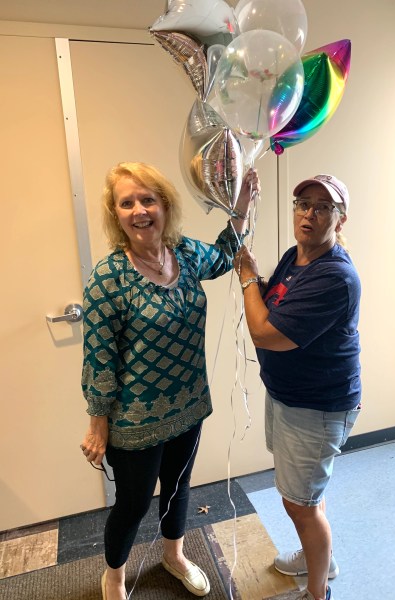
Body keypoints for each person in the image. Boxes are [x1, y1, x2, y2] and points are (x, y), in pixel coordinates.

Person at [80, 161, 259, 600]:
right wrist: (98, 424)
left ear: (165, 205)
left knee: (178, 489)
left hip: (189, 404)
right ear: (116, 214)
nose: (139, 211)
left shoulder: (185, 253)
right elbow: (99, 357)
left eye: (148, 199)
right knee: (133, 504)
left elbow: (225, 254)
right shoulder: (108, 278)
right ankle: (115, 577)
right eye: (127, 203)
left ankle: (174, 556)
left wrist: (240, 205)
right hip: (135, 421)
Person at [233, 174, 361, 600]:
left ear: (340, 219)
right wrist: (242, 209)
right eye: (303, 203)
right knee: (307, 495)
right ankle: (316, 559)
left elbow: (265, 333)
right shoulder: (296, 256)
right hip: (289, 397)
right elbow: (274, 303)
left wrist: (248, 278)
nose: (309, 214)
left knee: (299, 504)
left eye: (323, 207)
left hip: (317, 408)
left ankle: (317, 591)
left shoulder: (335, 277)